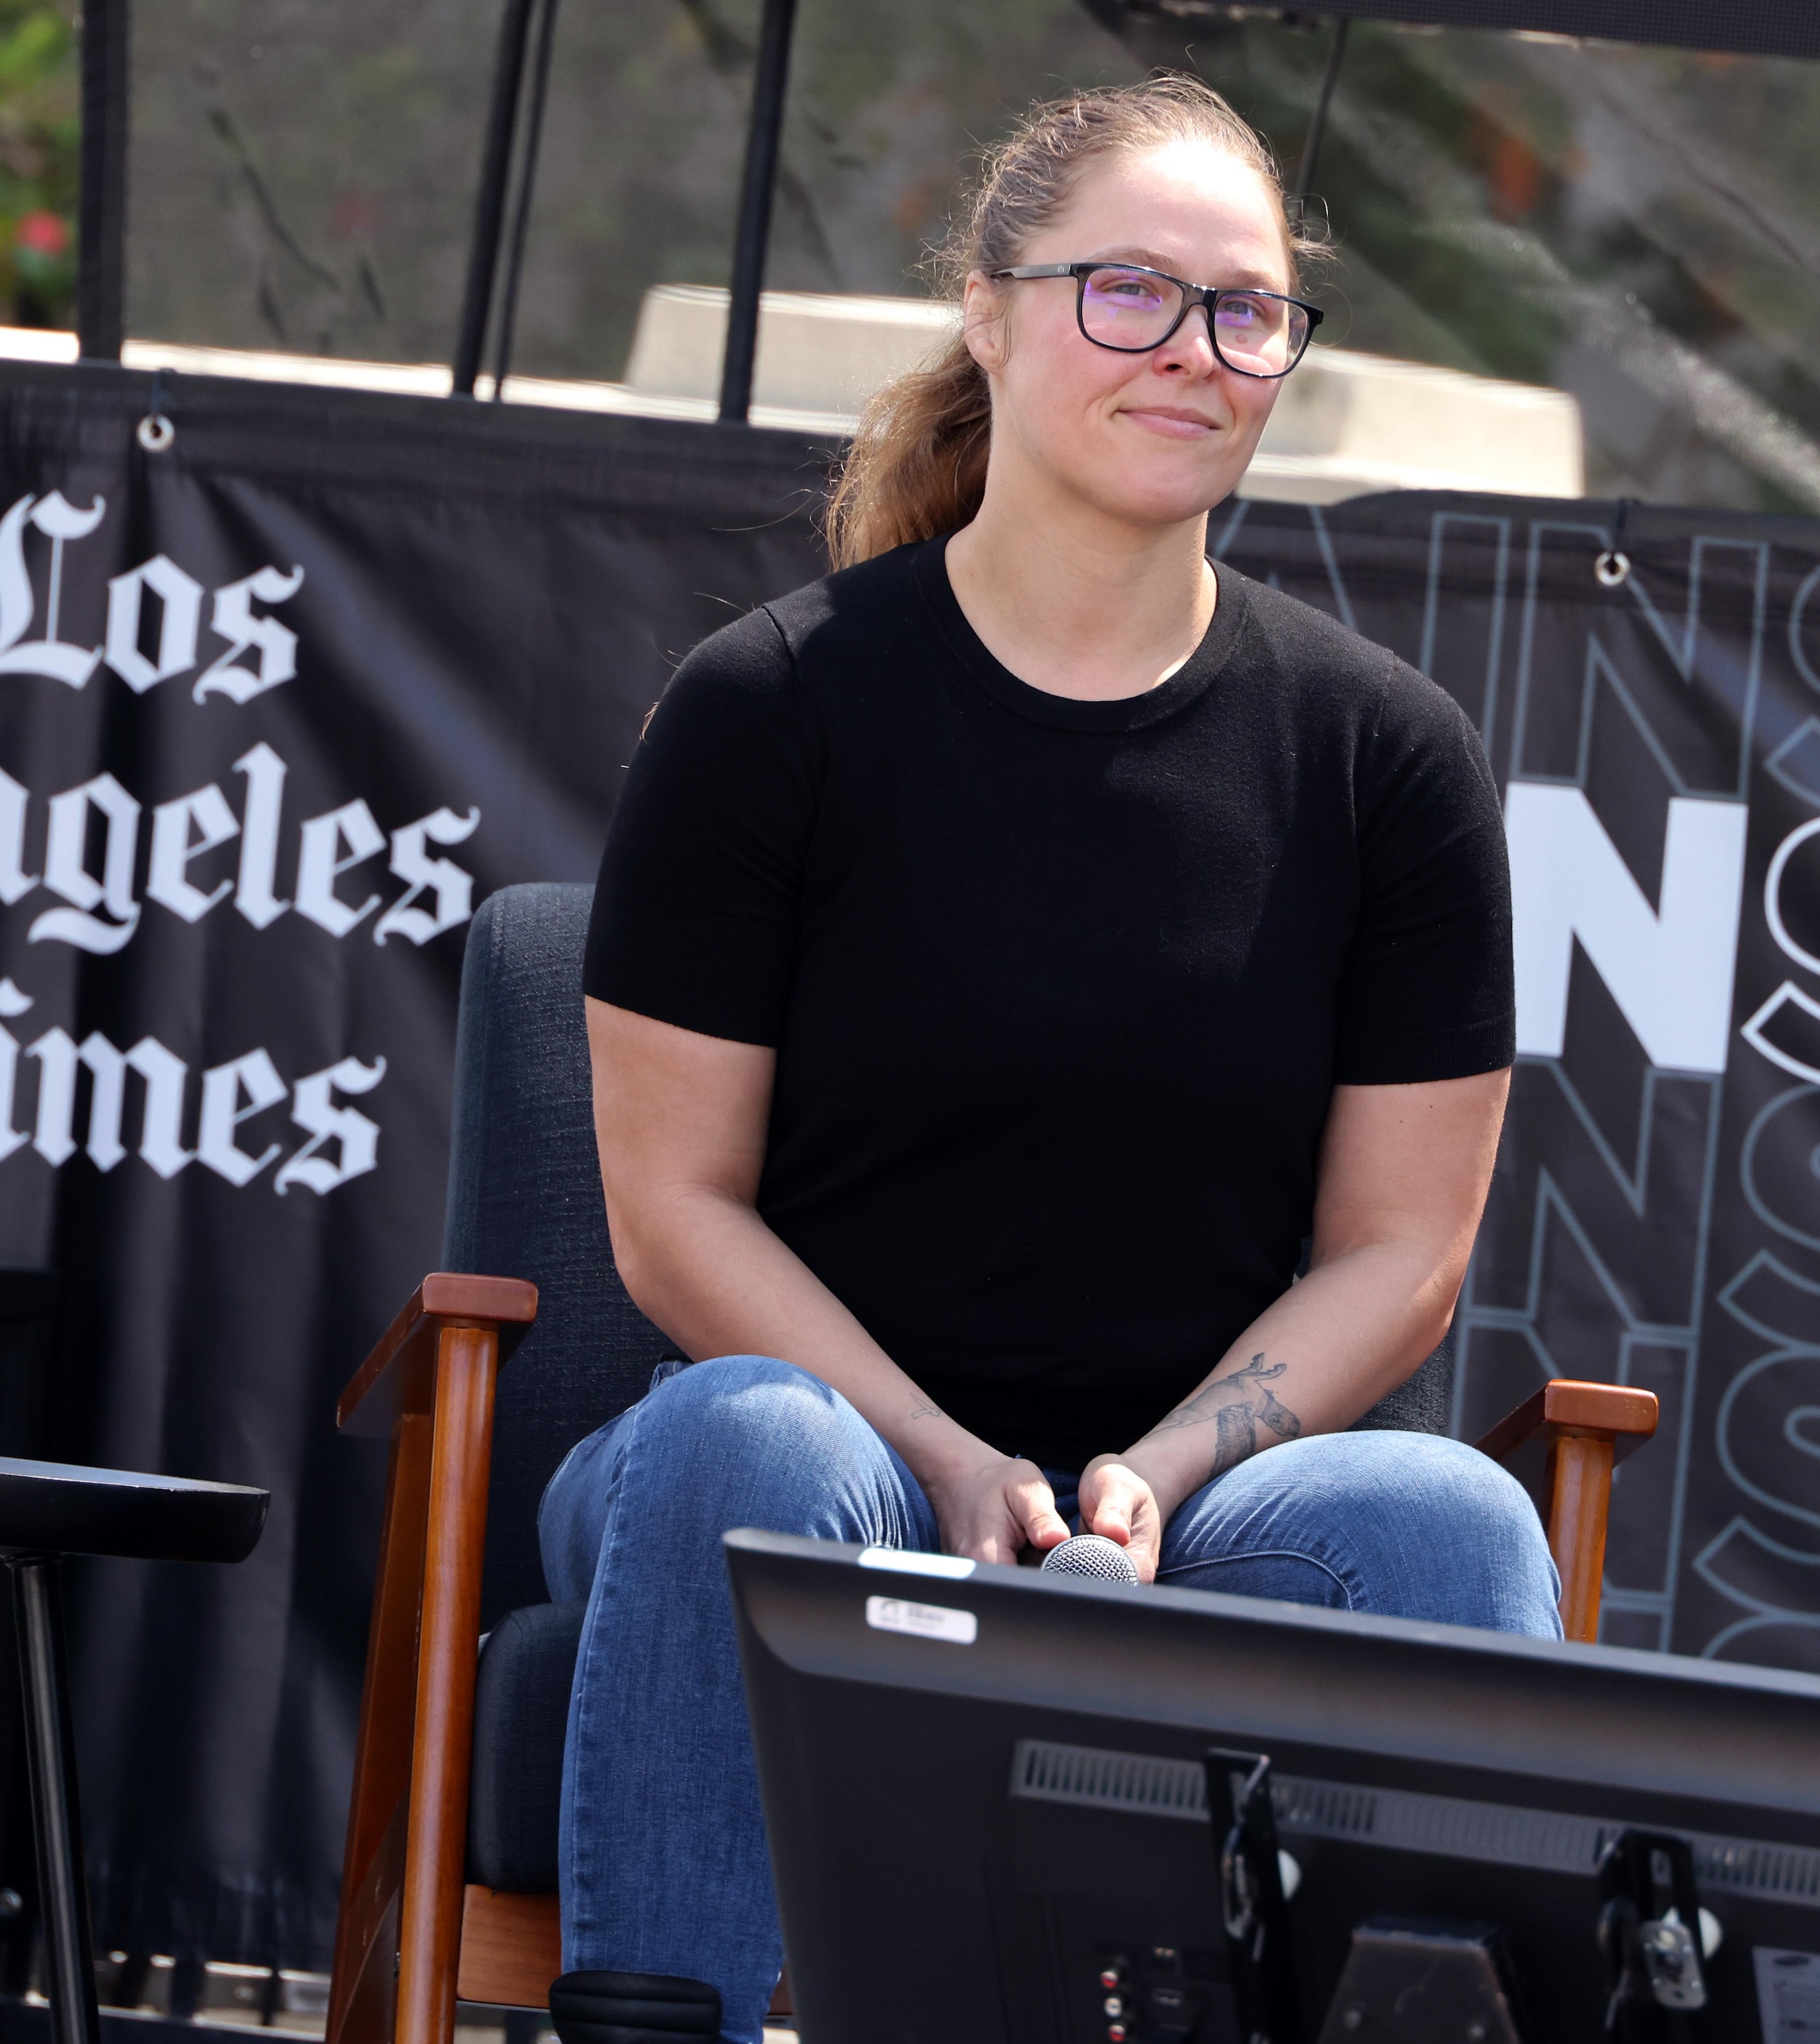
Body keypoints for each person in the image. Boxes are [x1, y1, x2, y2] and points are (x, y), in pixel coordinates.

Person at [539, 74, 1558, 2044]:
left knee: (1453, 1522)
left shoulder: (1389, 761)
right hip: (825, 1467)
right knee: (750, 1443)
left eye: (1246, 310)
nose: (1194, 350)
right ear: (990, 315)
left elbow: (1400, 1253)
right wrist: (948, 1463)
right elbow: (673, 1213)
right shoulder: (768, 710)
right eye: (1129, 291)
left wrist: (1150, 1484)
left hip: (1188, 1509)